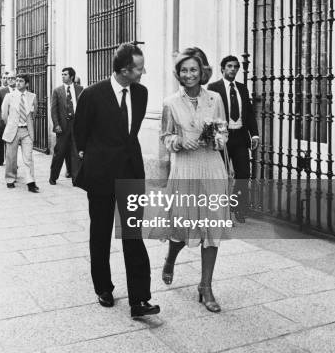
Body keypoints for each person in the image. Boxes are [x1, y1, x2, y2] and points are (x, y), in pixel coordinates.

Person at [74, 43, 160, 319]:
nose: (143, 71)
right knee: (100, 232)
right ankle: (103, 287)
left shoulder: (142, 93)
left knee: (133, 234)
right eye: (139, 68)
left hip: (131, 172)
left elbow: (130, 133)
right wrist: (95, 161)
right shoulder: (92, 95)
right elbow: (81, 134)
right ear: (124, 70)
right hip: (100, 176)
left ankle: (140, 299)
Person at [158, 47, 231, 313]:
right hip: (186, 169)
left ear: (203, 72)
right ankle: (170, 258)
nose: (189, 75)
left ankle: (206, 286)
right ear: (178, 73)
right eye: (184, 70)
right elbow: (164, 137)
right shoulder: (170, 103)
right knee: (182, 228)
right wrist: (178, 140)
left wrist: (218, 138)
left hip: (212, 168)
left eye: (194, 70)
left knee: (211, 231)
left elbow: (223, 131)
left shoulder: (215, 99)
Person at [208, 55, 259, 222]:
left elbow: (250, 114)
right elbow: (210, 114)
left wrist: (255, 134)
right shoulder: (213, 88)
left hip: (240, 137)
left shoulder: (242, 88)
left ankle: (238, 208)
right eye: (229, 66)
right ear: (223, 68)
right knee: (220, 175)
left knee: (243, 174)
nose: (233, 69)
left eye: (235, 67)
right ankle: (219, 211)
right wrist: (213, 137)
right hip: (223, 138)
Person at [1, 73, 39, 193]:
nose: (17, 83)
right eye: (17, 80)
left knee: (28, 158)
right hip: (13, 130)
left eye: (21, 81)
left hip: (26, 130)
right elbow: (4, 115)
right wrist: (12, 125)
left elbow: (34, 114)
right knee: (11, 157)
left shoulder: (32, 96)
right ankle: (10, 179)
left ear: (27, 84)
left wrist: (27, 125)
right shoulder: (9, 96)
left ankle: (30, 182)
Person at [49, 67, 83, 185]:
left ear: (72, 77)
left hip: (76, 125)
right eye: (62, 74)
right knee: (59, 152)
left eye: (65, 74)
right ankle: (53, 177)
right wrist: (56, 124)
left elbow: (83, 108)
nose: (62, 76)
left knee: (75, 152)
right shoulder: (57, 91)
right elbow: (53, 110)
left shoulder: (80, 89)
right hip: (63, 126)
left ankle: (76, 179)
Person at [0, 72, 15, 166]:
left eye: (12, 78)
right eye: (8, 78)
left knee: (12, 143)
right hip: (2, 121)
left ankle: (11, 161)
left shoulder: (18, 90)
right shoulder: (1, 91)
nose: (10, 80)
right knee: (0, 142)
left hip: (14, 121)